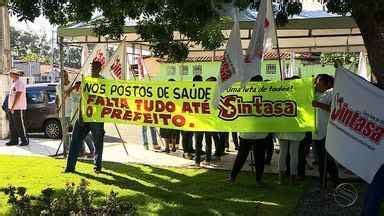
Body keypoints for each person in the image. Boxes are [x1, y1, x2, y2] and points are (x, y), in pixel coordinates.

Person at [65, 60, 106, 173]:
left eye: (96, 68)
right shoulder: (86, 80)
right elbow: (82, 99)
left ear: (100, 68)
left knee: (98, 142)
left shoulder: (104, 83)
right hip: (83, 116)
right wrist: (80, 116)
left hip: (96, 118)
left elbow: (107, 100)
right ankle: (69, 167)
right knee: (75, 141)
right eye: (92, 67)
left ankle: (97, 166)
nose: (93, 69)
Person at [229, 75, 269, 184]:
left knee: (241, 157)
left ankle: (233, 177)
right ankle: (258, 179)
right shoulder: (267, 94)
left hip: (246, 133)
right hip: (259, 133)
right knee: (259, 158)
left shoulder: (244, 93)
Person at [312, 74, 339, 187]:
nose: (316, 85)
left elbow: (334, 109)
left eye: (319, 83)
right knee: (321, 160)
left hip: (326, 132)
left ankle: (334, 182)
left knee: (327, 159)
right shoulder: (318, 94)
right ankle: (324, 182)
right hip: (317, 132)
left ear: (327, 84)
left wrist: (318, 104)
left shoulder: (333, 92)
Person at [6, 69, 28, 146]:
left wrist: (13, 106)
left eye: (11, 74)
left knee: (19, 124)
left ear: (15, 74)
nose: (10, 75)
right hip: (12, 107)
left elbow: (18, 95)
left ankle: (24, 140)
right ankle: (14, 140)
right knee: (12, 124)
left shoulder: (20, 83)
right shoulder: (14, 83)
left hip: (18, 107)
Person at [160, 79, 181, 153]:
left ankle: (167, 147)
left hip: (166, 115)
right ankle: (173, 146)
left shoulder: (164, 93)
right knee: (174, 132)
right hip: (174, 115)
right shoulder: (177, 93)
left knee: (166, 132)